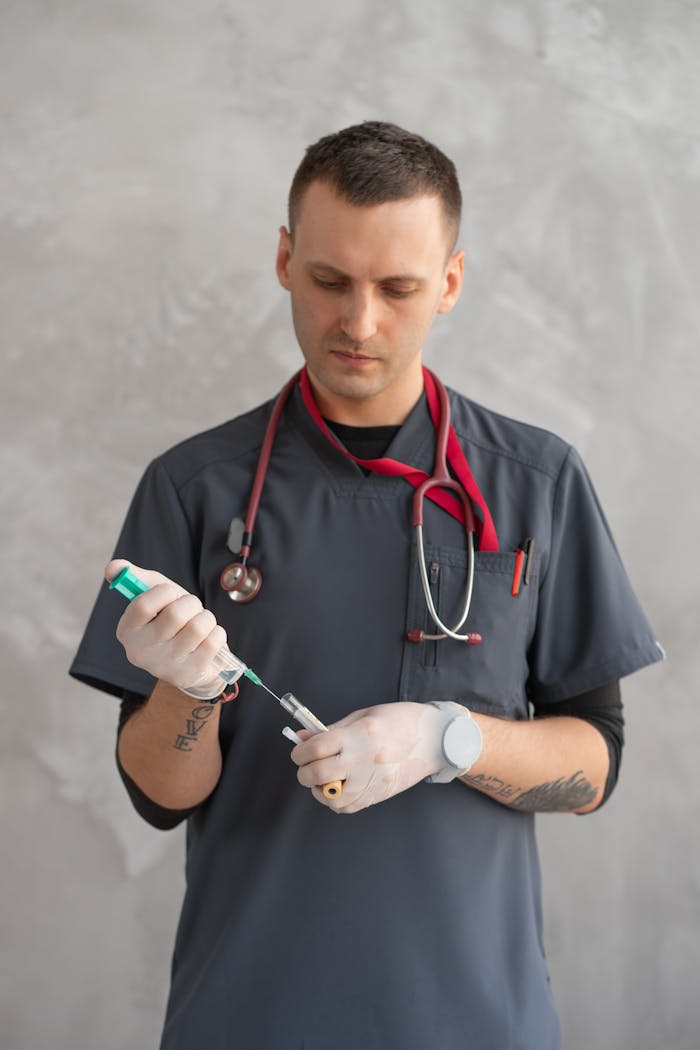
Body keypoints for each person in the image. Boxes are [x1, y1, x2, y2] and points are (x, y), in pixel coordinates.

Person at [70, 121, 663, 1050]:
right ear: (283, 259)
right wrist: (187, 693)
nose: (360, 323)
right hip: (250, 1017)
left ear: (452, 283)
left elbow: (594, 770)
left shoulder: (537, 484)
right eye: (329, 281)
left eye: (399, 288)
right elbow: (159, 796)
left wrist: (449, 740)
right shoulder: (193, 490)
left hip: (479, 1022)